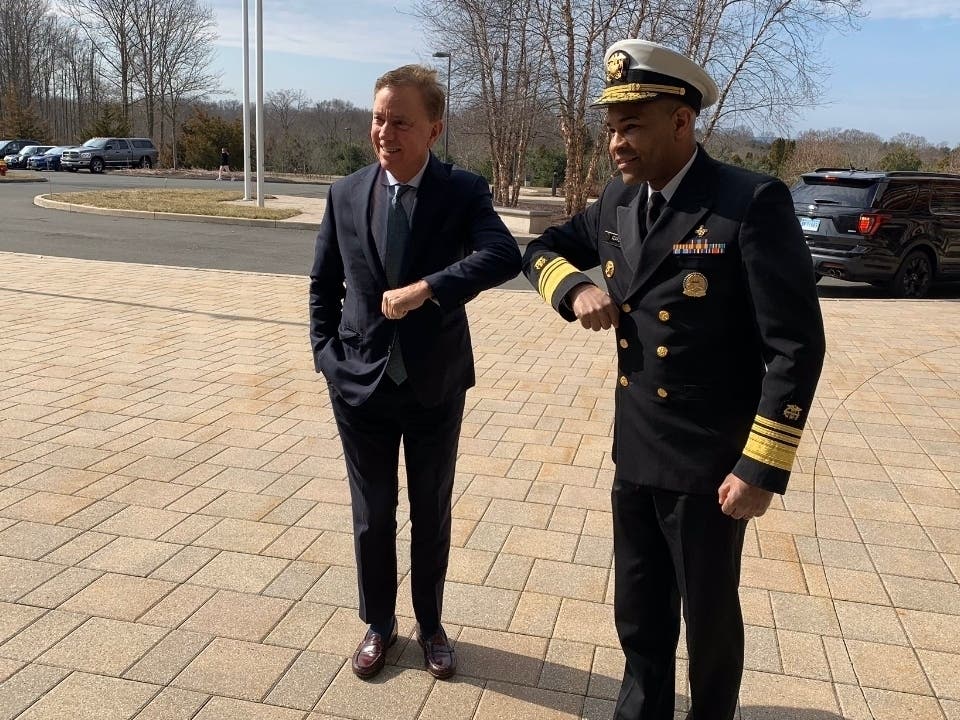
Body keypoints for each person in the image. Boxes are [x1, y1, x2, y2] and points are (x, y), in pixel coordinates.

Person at [522, 40, 825, 720]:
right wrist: (570, 288)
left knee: (709, 625)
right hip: (636, 451)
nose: (615, 142)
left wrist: (761, 466)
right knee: (639, 612)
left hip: (711, 468)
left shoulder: (749, 203)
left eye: (632, 125)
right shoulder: (619, 203)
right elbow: (539, 250)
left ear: (681, 122)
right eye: (609, 127)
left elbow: (796, 346)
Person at [309, 64, 520, 681]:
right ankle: (379, 623)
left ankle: (430, 625)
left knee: (431, 511)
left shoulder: (462, 191)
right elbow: (322, 284)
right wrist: (327, 357)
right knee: (373, 514)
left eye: (400, 121)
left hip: (433, 385)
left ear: (433, 129)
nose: (384, 132)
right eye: (378, 118)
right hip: (360, 386)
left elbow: (502, 254)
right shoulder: (346, 193)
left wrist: (429, 288)